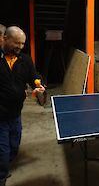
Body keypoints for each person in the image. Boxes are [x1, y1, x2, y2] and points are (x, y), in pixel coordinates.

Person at [0, 26, 45, 186]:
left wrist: (38, 85)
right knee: (3, 152)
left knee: (13, 147)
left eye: (22, 44)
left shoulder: (25, 60)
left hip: (16, 114)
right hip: (0, 117)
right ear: (4, 39)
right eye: (17, 43)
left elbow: (34, 76)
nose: (20, 47)